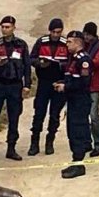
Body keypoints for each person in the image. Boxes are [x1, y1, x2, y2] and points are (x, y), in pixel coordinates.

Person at [0, 16, 31, 162]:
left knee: (14, 117)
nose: (4, 30)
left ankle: (11, 148)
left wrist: (27, 85)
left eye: (7, 27)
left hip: (15, 85)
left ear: (14, 28)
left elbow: (27, 66)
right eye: (3, 27)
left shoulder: (21, 45)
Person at [27, 18, 68, 156]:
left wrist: (61, 65)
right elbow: (31, 58)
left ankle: (50, 142)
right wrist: (39, 64)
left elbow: (70, 62)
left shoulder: (65, 43)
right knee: (39, 113)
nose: (56, 35)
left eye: (58, 32)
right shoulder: (41, 41)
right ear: (49, 31)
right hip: (44, 82)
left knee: (55, 115)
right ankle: (34, 143)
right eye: (53, 32)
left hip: (58, 82)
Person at [55, 31, 93, 179]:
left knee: (77, 132)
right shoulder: (73, 58)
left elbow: (84, 83)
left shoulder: (83, 60)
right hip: (73, 100)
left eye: (69, 42)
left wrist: (66, 87)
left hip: (80, 101)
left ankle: (79, 164)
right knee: (72, 131)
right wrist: (62, 83)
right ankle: (76, 160)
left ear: (77, 43)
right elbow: (72, 78)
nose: (67, 44)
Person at [82, 22, 99, 157]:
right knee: (83, 114)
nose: (86, 37)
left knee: (93, 115)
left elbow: (96, 63)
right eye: (85, 34)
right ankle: (87, 141)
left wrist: (83, 61)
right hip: (84, 84)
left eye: (88, 35)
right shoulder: (84, 45)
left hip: (94, 85)